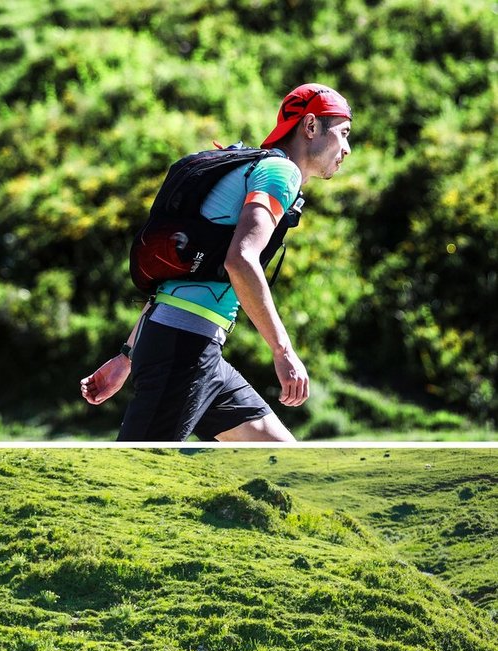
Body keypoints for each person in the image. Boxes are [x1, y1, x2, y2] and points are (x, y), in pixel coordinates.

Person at [80, 83, 352, 442]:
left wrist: (127, 356)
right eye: (344, 133)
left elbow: (181, 278)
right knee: (136, 474)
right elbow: (240, 260)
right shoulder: (280, 173)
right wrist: (282, 350)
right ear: (312, 126)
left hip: (195, 347)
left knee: (284, 460)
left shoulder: (255, 167)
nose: (346, 148)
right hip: (184, 349)